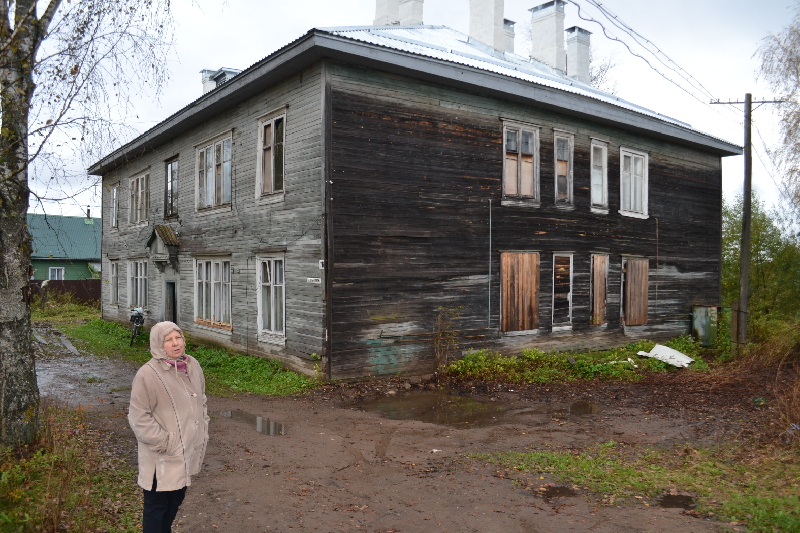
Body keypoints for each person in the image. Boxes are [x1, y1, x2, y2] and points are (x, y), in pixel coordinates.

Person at [128, 321, 209, 532]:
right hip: (161, 457)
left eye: (178, 338)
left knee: (175, 501)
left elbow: (202, 400)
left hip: (185, 453)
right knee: (157, 508)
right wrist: (165, 442)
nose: (175, 344)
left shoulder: (193, 366)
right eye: (168, 340)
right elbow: (138, 417)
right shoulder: (147, 375)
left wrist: (203, 426)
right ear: (158, 344)